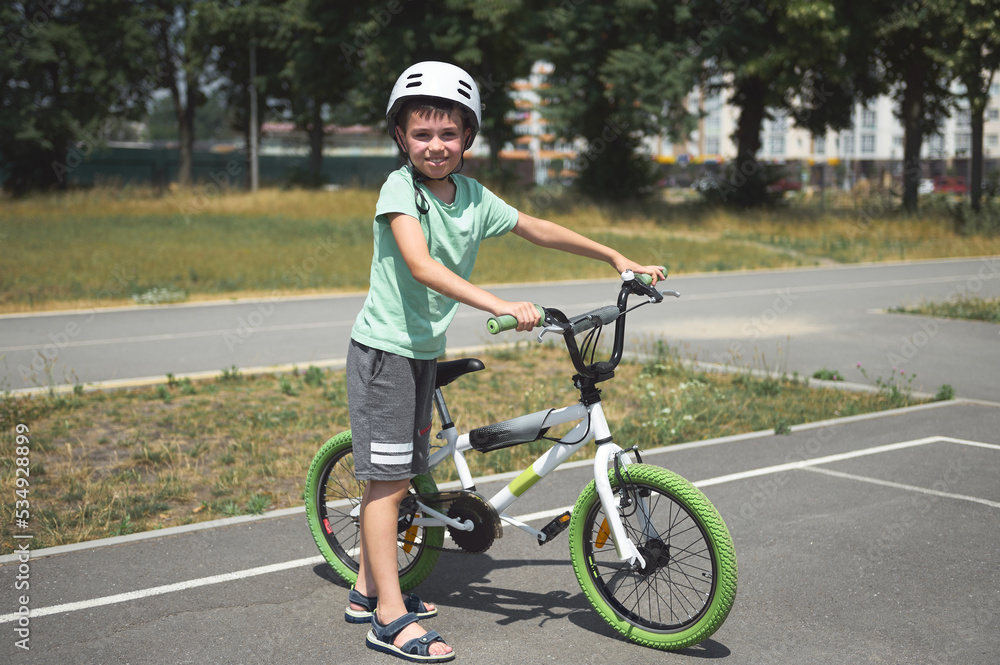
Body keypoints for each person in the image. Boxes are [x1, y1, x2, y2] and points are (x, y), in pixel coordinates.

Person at [346, 61, 665, 663]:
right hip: (385, 354)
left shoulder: (470, 196)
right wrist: (500, 304)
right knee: (387, 485)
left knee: (406, 471)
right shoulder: (400, 190)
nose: (435, 146)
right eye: (422, 134)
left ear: (467, 138)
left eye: (448, 134)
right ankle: (388, 618)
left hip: (421, 354)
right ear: (400, 138)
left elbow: (537, 228)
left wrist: (614, 256)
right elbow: (422, 266)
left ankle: (368, 589)